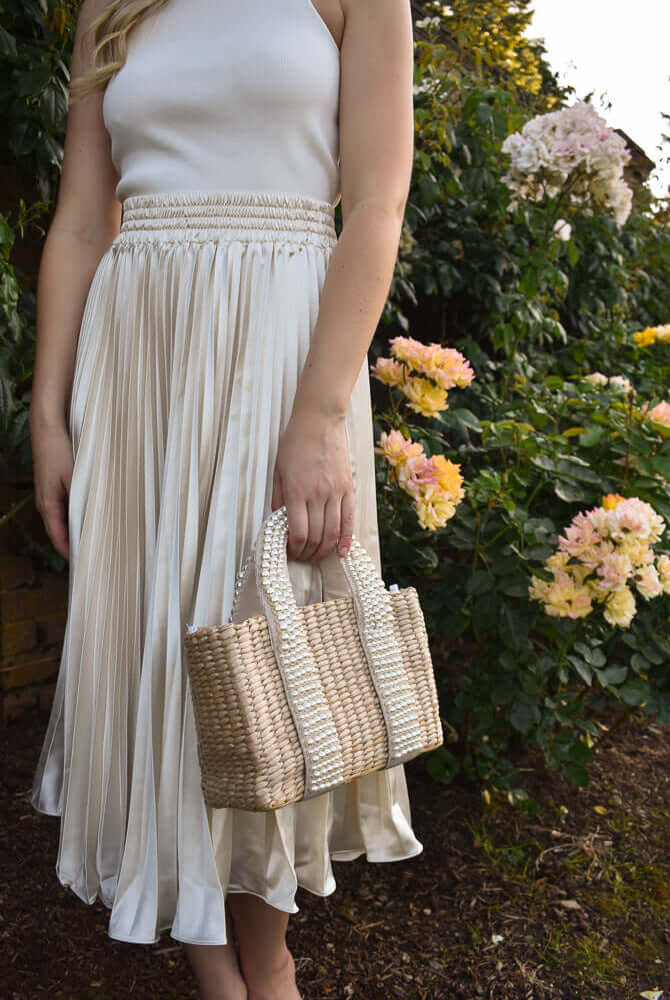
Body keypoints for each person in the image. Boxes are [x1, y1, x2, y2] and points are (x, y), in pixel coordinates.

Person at [28, 0, 420, 997]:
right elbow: (80, 221)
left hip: (285, 354)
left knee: (263, 654)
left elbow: (375, 202)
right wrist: (48, 412)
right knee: (161, 644)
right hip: (141, 366)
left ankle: (269, 954)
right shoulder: (108, 8)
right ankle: (213, 964)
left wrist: (322, 412)